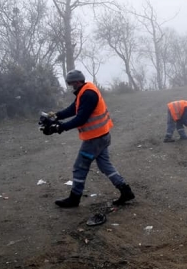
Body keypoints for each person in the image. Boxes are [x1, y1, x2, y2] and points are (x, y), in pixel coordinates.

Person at [44, 70, 135, 208]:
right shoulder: (86, 90)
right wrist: (56, 116)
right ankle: (126, 191)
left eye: (71, 84)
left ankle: (74, 199)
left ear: (77, 82)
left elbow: (81, 118)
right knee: (105, 165)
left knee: (79, 167)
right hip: (102, 136)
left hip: (95, 139)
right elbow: (74, 108)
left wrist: (59, 128)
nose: (71, 87)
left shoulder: (88, 94)